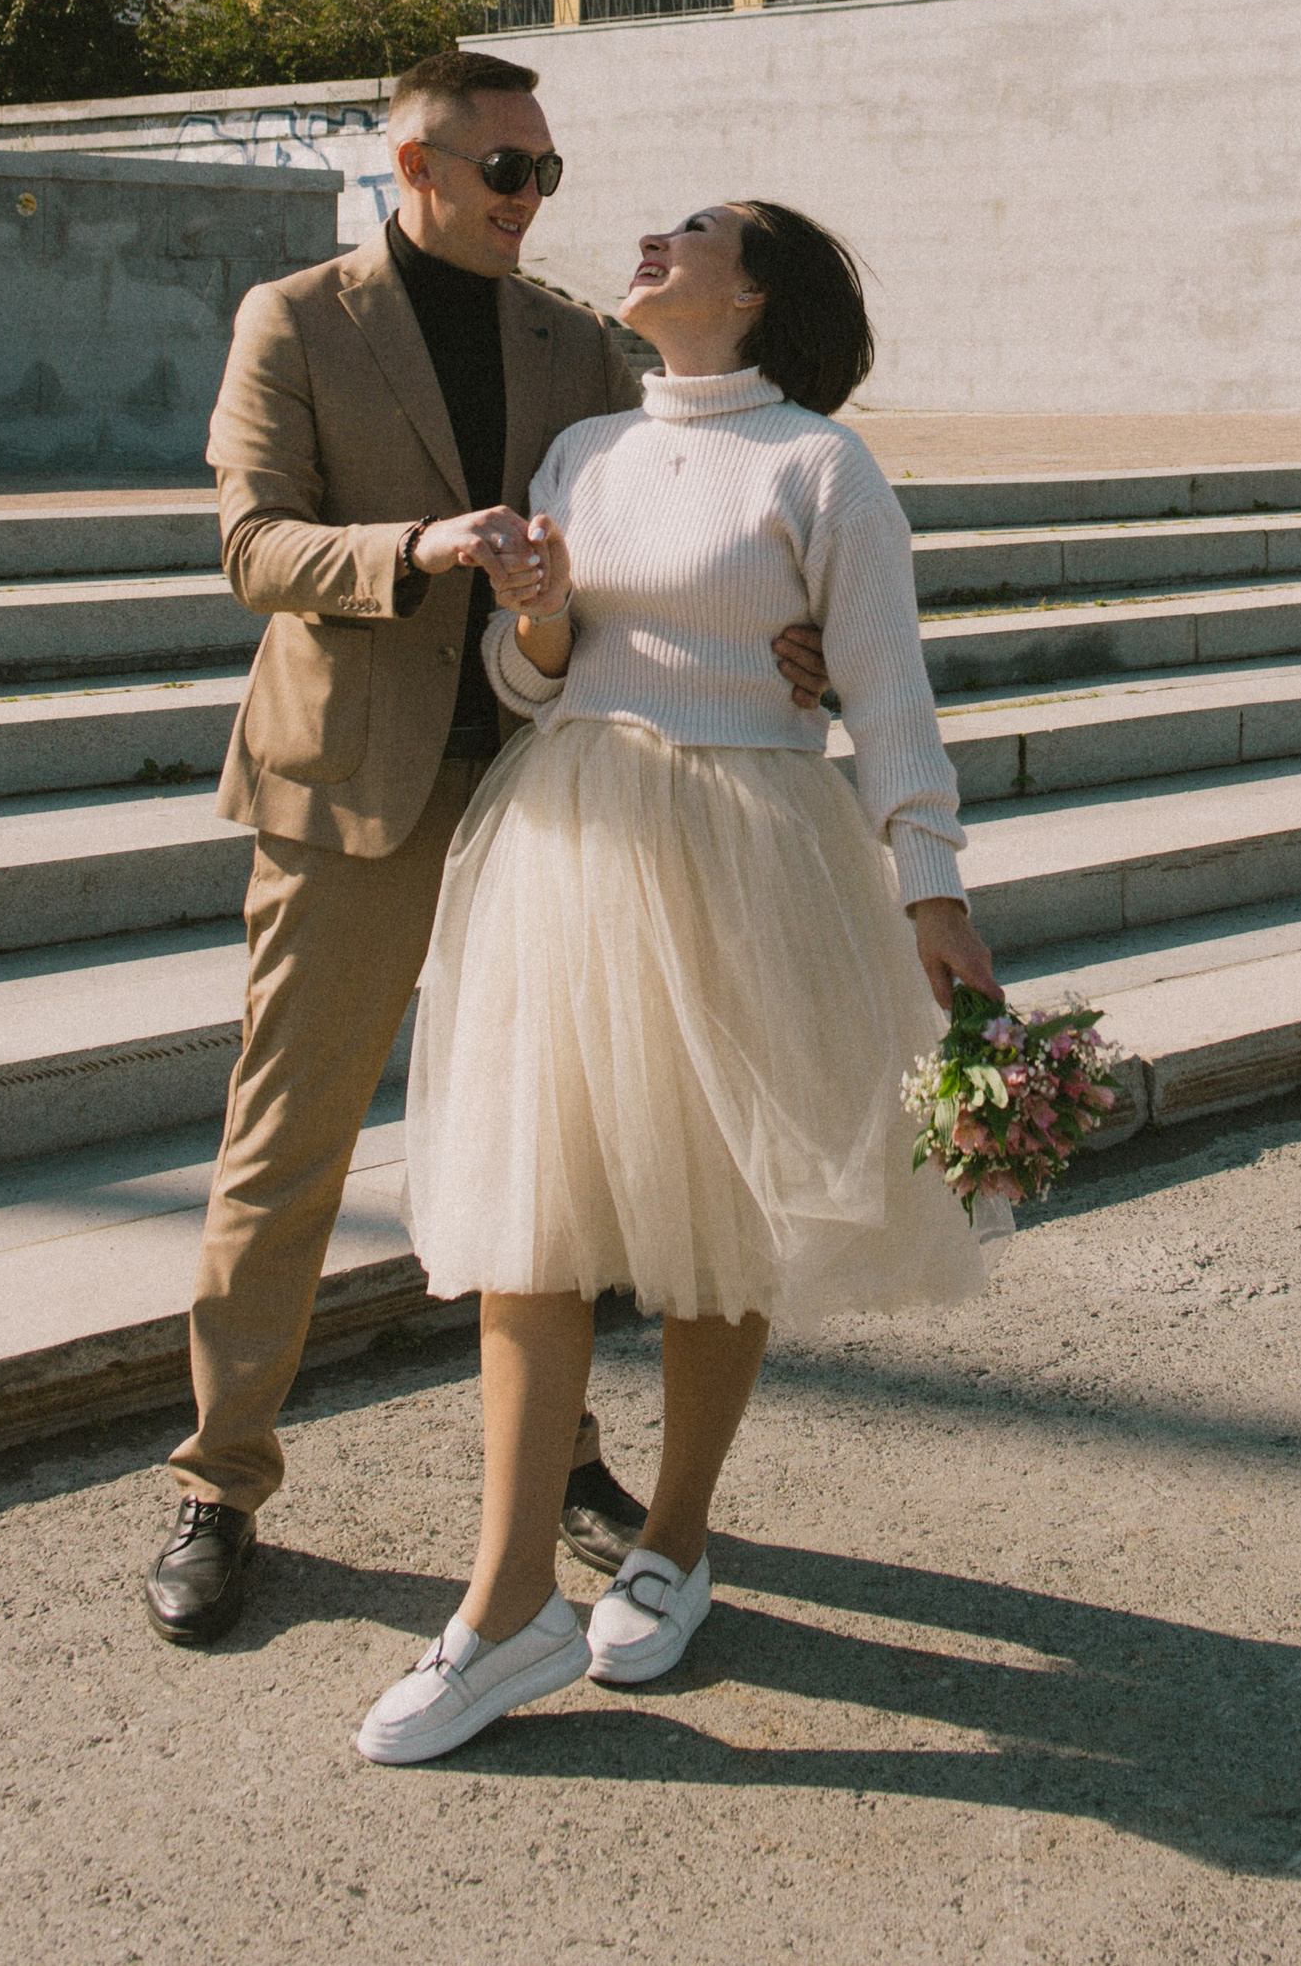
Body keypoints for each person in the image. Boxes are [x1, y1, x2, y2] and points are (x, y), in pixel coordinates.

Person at [142, 53, 832, 1648]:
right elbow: (252, 546)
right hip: (353, 795)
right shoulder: (296, 319)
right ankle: (219, 1478)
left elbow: (703, 486)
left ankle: (564, 1456)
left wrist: (798, 636)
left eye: (547, 171)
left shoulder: (579, 342)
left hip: (552, 792)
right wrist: (424, 548)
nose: (534, 199)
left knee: (557, 1151)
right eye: (505, 170)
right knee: (287, 1150)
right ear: (419, 166)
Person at [355, 197, 1003, 1766]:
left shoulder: (821, 465)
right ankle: (508, 1607)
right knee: (536, 1216)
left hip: (747, 839)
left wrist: (934, 885)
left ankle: (677, 1539)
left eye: (691, 231)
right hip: (570, 840)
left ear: (755, 287)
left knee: (723, 1220)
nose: (647, 238)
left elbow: (888, 691)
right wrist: (540, 620)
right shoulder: (582, 451)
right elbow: (532, 681)